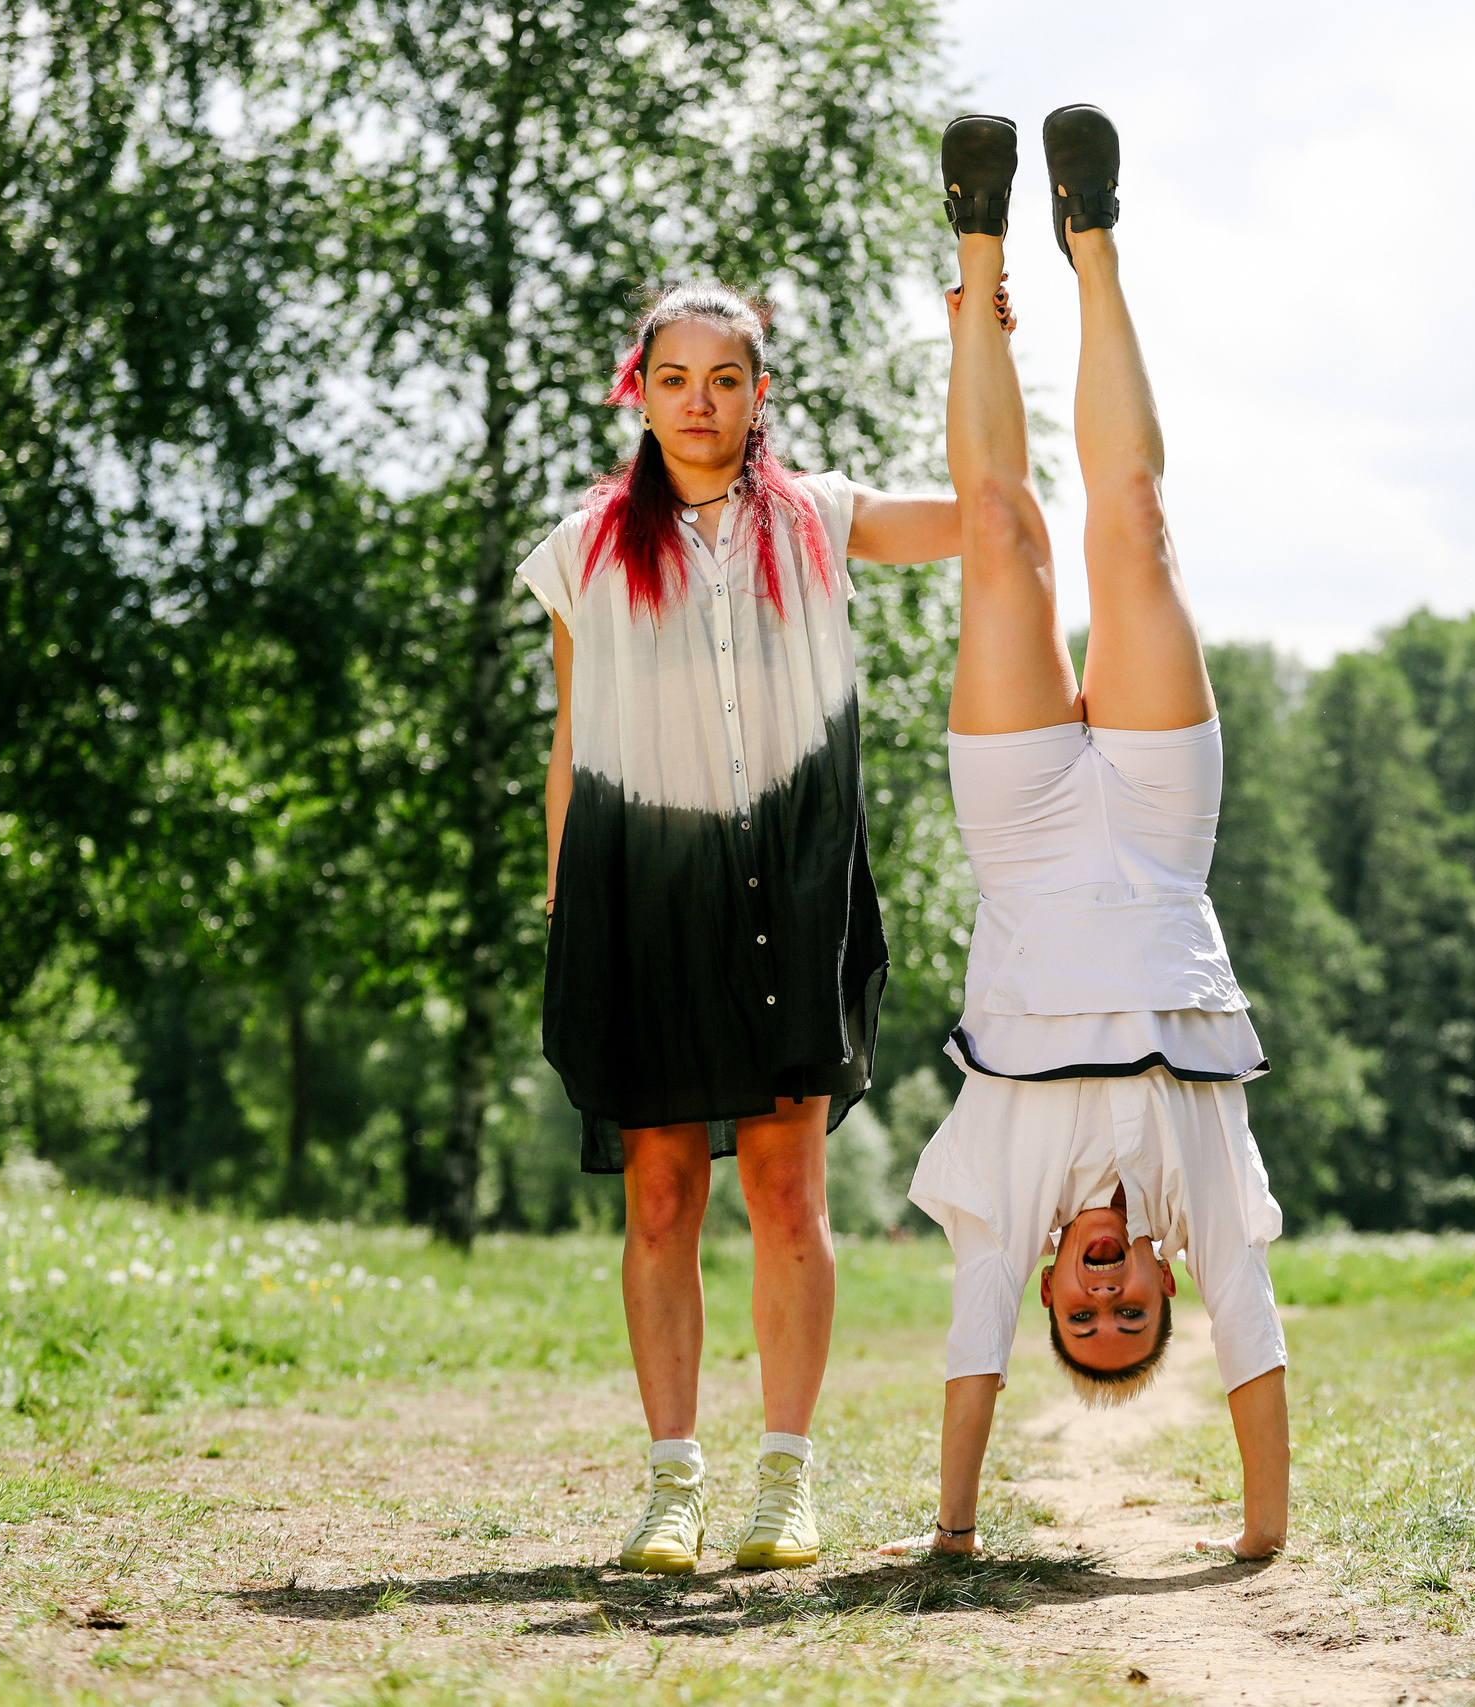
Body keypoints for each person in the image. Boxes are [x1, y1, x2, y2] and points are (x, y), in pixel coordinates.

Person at [881, 106, 1291, 1565]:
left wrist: (952, 1531)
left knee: (1001, 537)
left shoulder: (1005, 1209)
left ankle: (977, 241)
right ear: (1165, 1283)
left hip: (1029, 835)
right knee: (1131, 528)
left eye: (1087, 1318)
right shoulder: (1209, 1200)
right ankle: (1093, 238)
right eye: (1134, 1316)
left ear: (1054, 1287)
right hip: (1167, 834)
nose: (1107, 1298)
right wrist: (1260, 1539)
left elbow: (967, 1359)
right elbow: (1259, 1341)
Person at [515, 281, 964, 1574]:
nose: (700, 402)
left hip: (786, 891)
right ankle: (671, 1481)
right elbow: (570, 742)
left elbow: (989, 508)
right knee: (656, 1194)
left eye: (725, 379)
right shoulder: (585, 547)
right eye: (675, 379)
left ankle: (786, 1477)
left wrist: (973, 338)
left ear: (759, 394)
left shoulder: (820, 520)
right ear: (638, 390)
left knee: (786, 1188)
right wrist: (565, 910)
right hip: (642, 894)